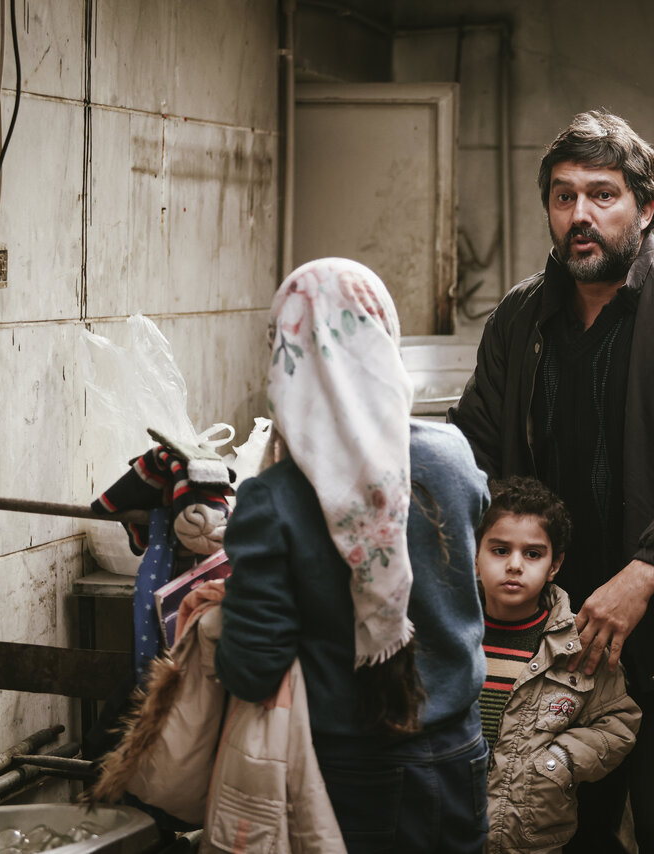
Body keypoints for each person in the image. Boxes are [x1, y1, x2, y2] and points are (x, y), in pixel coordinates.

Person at [450, 110, 654, 854]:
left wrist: (643, 574)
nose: (580, 216)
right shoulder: (521, 319)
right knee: (567, 824)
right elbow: (473, 448)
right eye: (564, 197)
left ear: (645, 208)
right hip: (562, 640)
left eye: (602, 195)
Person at [216, 257, 491, 853]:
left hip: (344, 774)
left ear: (285, 356)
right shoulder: (453, 457)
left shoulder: (274, 498)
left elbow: (254, 669)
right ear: (385, 340)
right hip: (457, 757)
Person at [476, 476, 641, 854]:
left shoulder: (577, 647)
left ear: (555, 565)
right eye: (500, 550)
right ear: (475, 556)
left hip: (530, 840)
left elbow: (619, 722)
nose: (515, 565)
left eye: (533, 554)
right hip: (446, 829)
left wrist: (560, 761)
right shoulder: (448, 637)